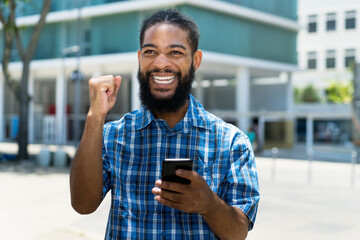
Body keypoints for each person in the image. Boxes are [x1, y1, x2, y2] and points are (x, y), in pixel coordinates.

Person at [70, 9, 260, 240]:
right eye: (151, 52)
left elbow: (238, 233)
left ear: (196, 60)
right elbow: (82, 205)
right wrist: (95, 117)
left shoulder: (231, 142)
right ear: (140, 58)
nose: (161, 63)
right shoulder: (113, 135)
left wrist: (209, 205)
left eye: (175, 52)